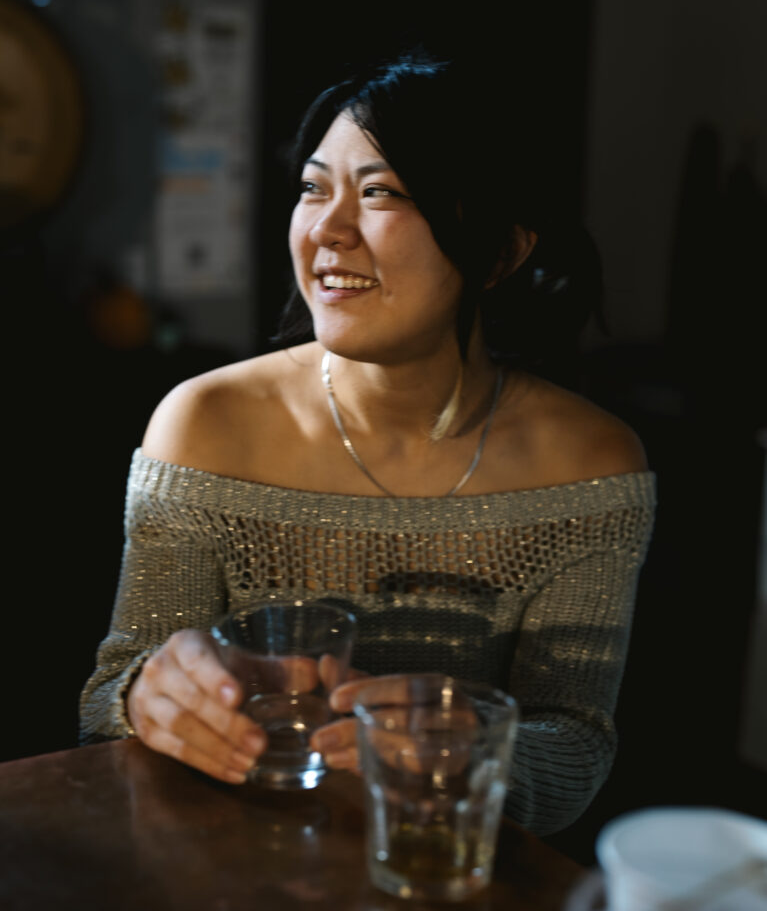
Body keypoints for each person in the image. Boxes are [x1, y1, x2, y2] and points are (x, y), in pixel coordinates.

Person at [79, 52, 656, 837]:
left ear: (500, 253)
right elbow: (111, 696)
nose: (325, 229)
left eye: (380, 193)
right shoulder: (204, 425)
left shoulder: (589, 464)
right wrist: (146, 696)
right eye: (314, 188)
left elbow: (575, 743)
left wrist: (476, 748)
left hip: (437, 869)